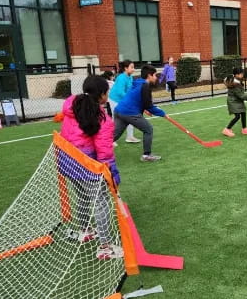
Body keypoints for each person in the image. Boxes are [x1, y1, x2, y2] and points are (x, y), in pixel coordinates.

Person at [60, 75, 123, 260]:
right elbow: (105, 154)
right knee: (101, 201)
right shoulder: (102, 118)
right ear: (102, 95)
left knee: (82, 197)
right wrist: (113, 175)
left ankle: (85, 231)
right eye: (107, 92)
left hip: (67, 161)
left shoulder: (72, 105)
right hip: (86, 165)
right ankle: (105, 247)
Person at [114, 65, 167, 162]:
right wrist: (162, 113)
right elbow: (149, 105)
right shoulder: (145, 86)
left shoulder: (138, 82)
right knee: (148, 129)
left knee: (114, 135)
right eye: (154, 75)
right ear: (149, 76)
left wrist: (146, 109)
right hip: (129, 112)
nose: (156, 77)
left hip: (119, 110)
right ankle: (146, 155)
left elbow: (136, 98)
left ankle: (92, 152)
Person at [109, 60, 140, 143]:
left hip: (123, 99)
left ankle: (130, 137)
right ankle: (110, 140)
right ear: (126, 68)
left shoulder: (130, 76)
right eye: (132, 67)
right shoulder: (121, 77)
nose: (133, 69)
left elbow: (130, 89)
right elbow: (120, 92)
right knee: (116, 119)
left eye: (134, 67)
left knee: (130, 116)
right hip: (115, 99)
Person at [222, 67, 247, 137]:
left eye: (242, 73)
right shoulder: (234, 84)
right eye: (241, 74)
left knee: (243, 113)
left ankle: (244, 129)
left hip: (238, 100)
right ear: (236, 75)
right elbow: (241, 95)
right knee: (237, 116)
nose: (242, 75)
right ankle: (227, 129)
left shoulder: (237, 80)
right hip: (233, 101)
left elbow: (240, 94)